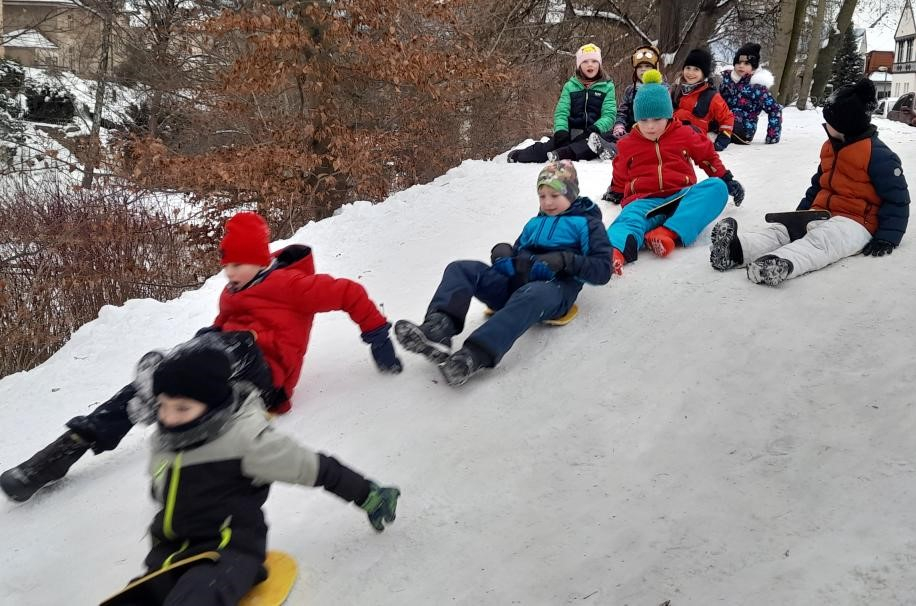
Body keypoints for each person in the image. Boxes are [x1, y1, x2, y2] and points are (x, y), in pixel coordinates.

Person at [1, 212, 402, 503]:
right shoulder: (233, 291)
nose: (229, 272)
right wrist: (200, 345)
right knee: (178, 364)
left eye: (237, 264)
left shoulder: (291, 285)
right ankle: (67, 448)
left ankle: (167, 376)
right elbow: (220, 328)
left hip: (267, 381)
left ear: (260, 259)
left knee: (234, 342)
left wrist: (377, 335)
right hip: (226, 372)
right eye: (226, 265)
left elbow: (349, 293)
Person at [116, 344, 399, 605]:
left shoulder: (245, 442)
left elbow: (313, 467)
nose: (168, 417)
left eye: (182, 408)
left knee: (196, 596)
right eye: (162, 405)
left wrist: (368, 495)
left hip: (228, 554)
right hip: (167, 557)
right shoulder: (165, 443)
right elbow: (162, 491)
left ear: (213, 404)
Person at [394, 160, 612, 386]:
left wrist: (566, 261)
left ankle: (474, 355)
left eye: (555, 195)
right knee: (461, 269)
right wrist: (504, 254)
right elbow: (518, 254)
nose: (547, 202)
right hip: (517, 284)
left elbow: (603, 269)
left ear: (572, 194)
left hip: (554, 290)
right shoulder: (534, 223)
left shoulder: (588, 224)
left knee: (533, 293)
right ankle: (438, 328)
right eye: (542, 196)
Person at [709, 79, 909, 286]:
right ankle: (735, 250)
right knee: (782, 231)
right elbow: (818, 185)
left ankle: (778, 263)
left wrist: (887, 237)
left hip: (855, 223)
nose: (825, 126)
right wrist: (800, 215)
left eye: (828, 122)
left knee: (822, 240)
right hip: (821, 212)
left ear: (844, 125)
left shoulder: (879, 156)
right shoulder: (830, 147)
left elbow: (898, 199)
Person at [602, 69, 745, 275]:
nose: (650, 126)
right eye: (644, 120)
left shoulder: (684, 134)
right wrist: (616, 190)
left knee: (716, 188)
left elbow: (707, 157)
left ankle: (667, 233)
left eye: (657, 119)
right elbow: (620, 172)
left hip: (681, 198)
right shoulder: (628, 144)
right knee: (627, 221)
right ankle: (613, 254)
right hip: (644, 201)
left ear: (669, 115)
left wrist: (726, 179)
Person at [507, 44, 617, 163]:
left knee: (588, 146)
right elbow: (562, 112)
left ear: (599, 65)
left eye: (594, 61)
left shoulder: (607, 86)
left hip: (595, 134)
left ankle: (562, 154)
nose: (590, 64)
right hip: (572, 132)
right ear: (579, 65)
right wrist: (561, 130)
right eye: (585, 61)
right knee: (547, 148)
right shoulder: (570, 86)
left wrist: (595, 128)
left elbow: (609, 114)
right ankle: (520, 155)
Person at [671, 48, 735, 152]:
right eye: (688, 68)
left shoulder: (711, 96)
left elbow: (727, 117)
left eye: (696, 69)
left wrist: (724, 138)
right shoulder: (676, 91)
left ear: (703, 73)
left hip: (695, 137)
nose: (690, 72)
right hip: (673, 134)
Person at [719, 43, 782, 145]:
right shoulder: (726, 83)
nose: (741, 66)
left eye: (746, 64)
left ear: (753, 67)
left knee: (733, 116)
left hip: (744, 128)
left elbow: (774, 109)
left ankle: (723, 133)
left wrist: (773, 136)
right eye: (738, 62)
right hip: (723, 122)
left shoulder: (757, 88)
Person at [611, 44, 664, 140]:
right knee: (607, 137)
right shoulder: (630, 90)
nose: (643, 69)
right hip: (629, 130)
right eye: (640, 67)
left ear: (655, 69)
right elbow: (622, 112)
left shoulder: (663, 89)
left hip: (652, 132)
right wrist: (619, 125)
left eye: (647, 66)